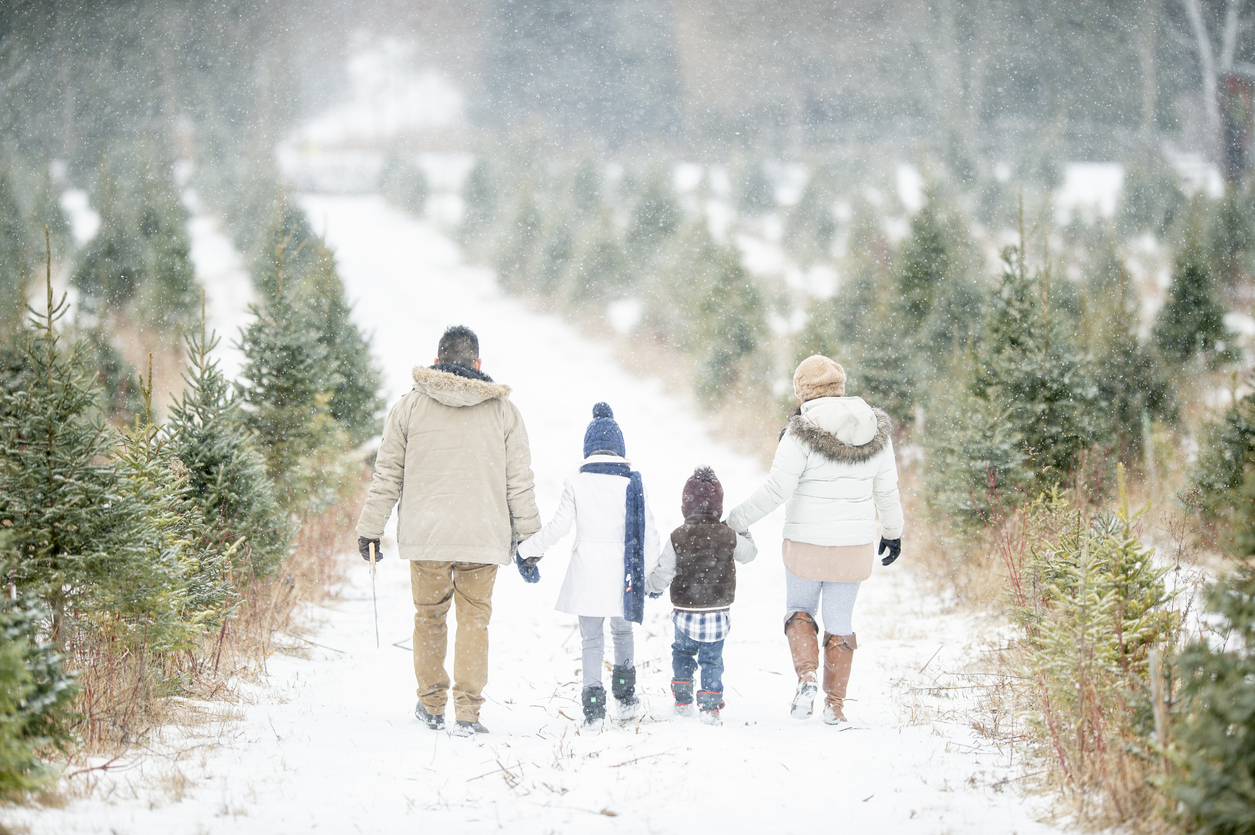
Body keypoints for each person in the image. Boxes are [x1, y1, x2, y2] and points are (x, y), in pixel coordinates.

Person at [355, 325, 541, 736]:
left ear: (437, 361)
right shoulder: (504, 412)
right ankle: (468, 713)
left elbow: (387, 474)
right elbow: (519, 481)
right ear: (478, 363)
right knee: (474, 621)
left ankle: (432, 705)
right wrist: (530, 538)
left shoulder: (409, 407)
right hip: (482, 536)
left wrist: (370, 530)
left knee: (429, 617)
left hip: (428, 536)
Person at [724, 355, 903, 725]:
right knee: (840, 623)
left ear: (802, 391)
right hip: (853, 547)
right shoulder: (875, 430)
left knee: (800, 611)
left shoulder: (799, 432)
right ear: (839, 387)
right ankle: (835, 706)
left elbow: (776, 490)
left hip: (805, 544)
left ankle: (806, 679)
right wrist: (893, 532)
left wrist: (735, 520)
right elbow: (887, 490)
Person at [515, 403, 660, 725]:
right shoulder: (633, 483)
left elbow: (557, 528)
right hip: (624, 575)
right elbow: (649, 534)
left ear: (588, 449)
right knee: (623, 633)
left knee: (591, 641)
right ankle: (625, 698)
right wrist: (652, 576)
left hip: (588, 575)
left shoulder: (577, 483)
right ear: (620, 449)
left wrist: (527, 550)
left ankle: (593, 708)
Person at [645, 466, 757, 726]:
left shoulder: (678, 536)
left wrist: (650, 588)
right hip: (717, 612)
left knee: (682, 653)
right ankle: (710, 705)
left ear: (685, 507)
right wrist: (742, 529)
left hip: (686, 611)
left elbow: (663, 573)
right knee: (712, 659)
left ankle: (683, 699)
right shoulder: (728, 535)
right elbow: (750, 554)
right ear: (719, 507)